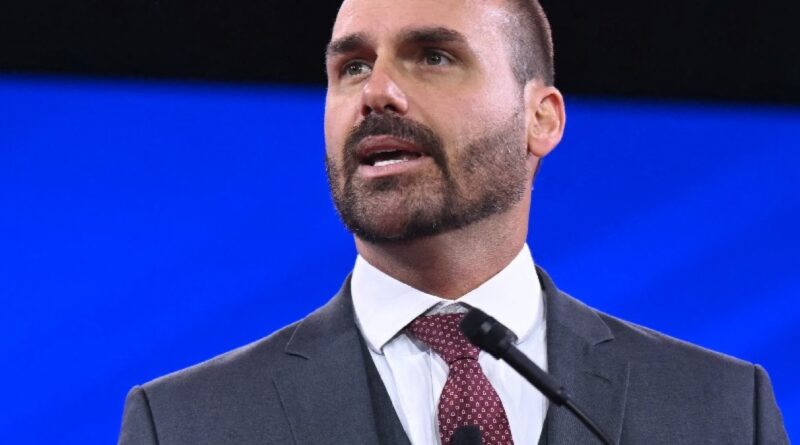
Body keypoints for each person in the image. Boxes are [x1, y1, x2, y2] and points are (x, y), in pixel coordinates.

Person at [117, 0, 789, 443]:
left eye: (433, 56)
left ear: (540, 118)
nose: (377, 92)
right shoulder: (185, 425)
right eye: (352, 66)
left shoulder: (721, 411)